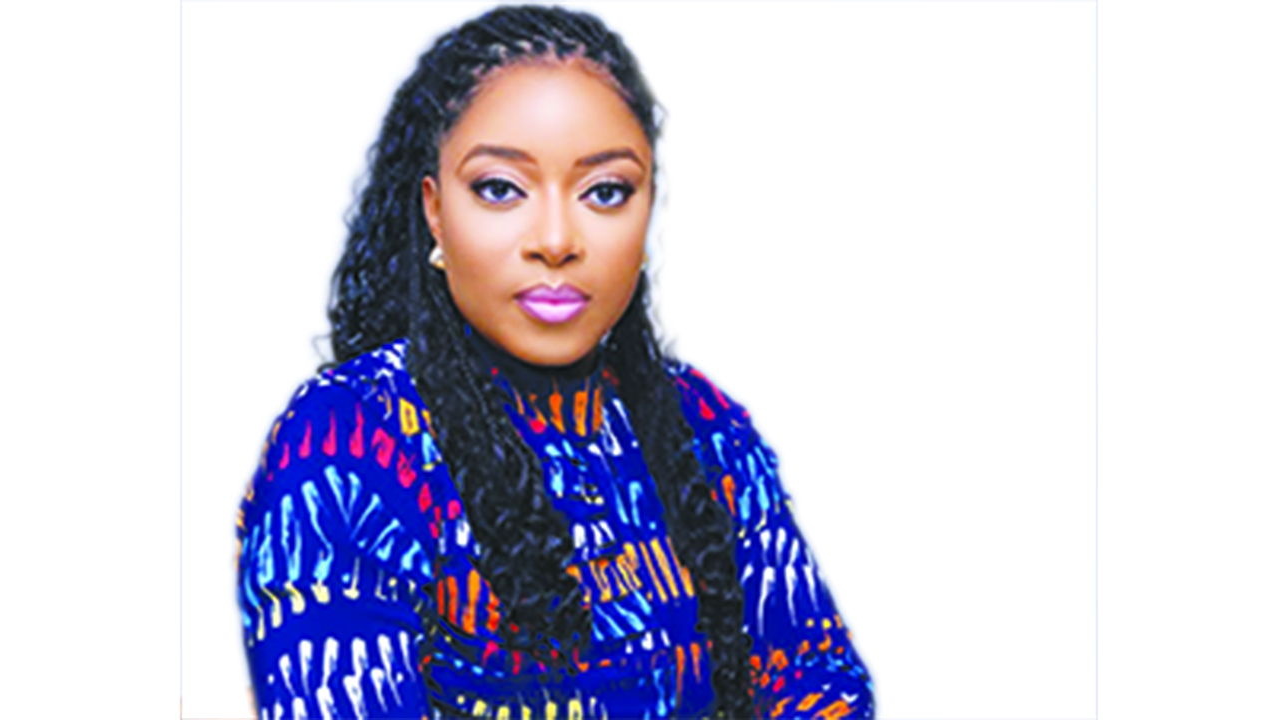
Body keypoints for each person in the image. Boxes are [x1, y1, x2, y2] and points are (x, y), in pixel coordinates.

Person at [236, 5, 873, 718]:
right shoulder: (349, 442)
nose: (557, 240)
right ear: (435, 211)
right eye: (500, 188)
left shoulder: (706, 428)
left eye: (605, 192)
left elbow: (819, 678)